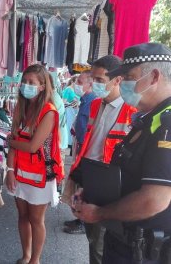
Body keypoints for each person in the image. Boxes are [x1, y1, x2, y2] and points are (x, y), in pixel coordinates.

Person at [73, 43, 171, 263]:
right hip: (125, 241)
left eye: (129, 77)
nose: (124, 83)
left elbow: (154, 199)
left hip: (142, 250)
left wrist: (99, 213)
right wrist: (91, 193)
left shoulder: (167, 124)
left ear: (154, 77)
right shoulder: (149, 118)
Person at [67, 55, 137, 264]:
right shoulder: (96, 105)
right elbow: (90, 140)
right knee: (92, 238)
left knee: (101, 245)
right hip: (89, 178)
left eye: (100, 80)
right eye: (93, 79)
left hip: (110, 185)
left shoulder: (131, 111)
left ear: (117, 80)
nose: (95, 84)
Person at [5, 65, 64, 264]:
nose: (26, 86)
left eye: (32, 82)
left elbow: (31, 146)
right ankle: (26, 255)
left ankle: (35, 260)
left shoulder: (49, 112)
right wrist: (10, 170)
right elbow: (14, 141)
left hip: (40, 175)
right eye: (24, 81)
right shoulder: (21, 108)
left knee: (36, 220)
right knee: (22, 216)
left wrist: (10, 141)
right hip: (20, 172)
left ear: (42, 86)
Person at [64, 71, 97, 234]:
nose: (77, 84)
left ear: (90, 84)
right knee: (79, 185)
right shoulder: (85, 100)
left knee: (84, 186)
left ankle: (83, 223)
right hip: (80, 147)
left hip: (86, 149)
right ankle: (79, 218)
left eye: (80, 81)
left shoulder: (92, 101)